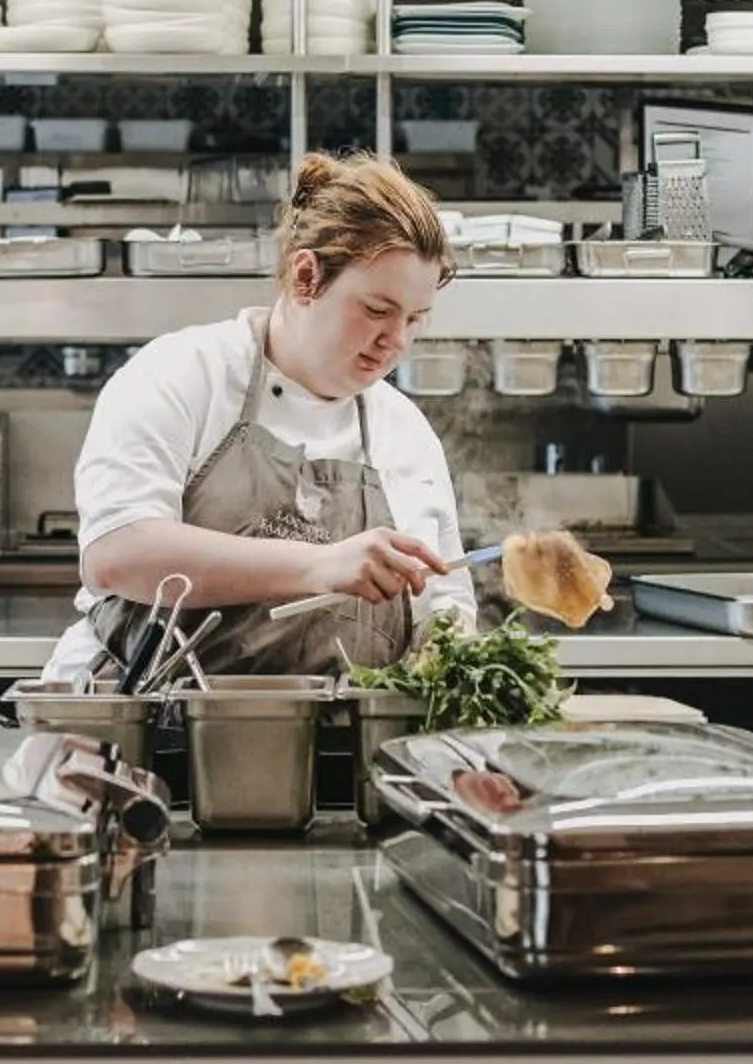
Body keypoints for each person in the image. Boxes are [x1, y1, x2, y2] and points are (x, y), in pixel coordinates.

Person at [46, 152, 475, 684]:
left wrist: (459, 662)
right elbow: (118, 554)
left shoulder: (403, 432)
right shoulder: (184, 374)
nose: (398, 341)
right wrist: (321, 564)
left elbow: (444, 605)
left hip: (326, 728)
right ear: (305, 276)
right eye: (376, 310)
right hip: (145, 714)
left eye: (415, 319)